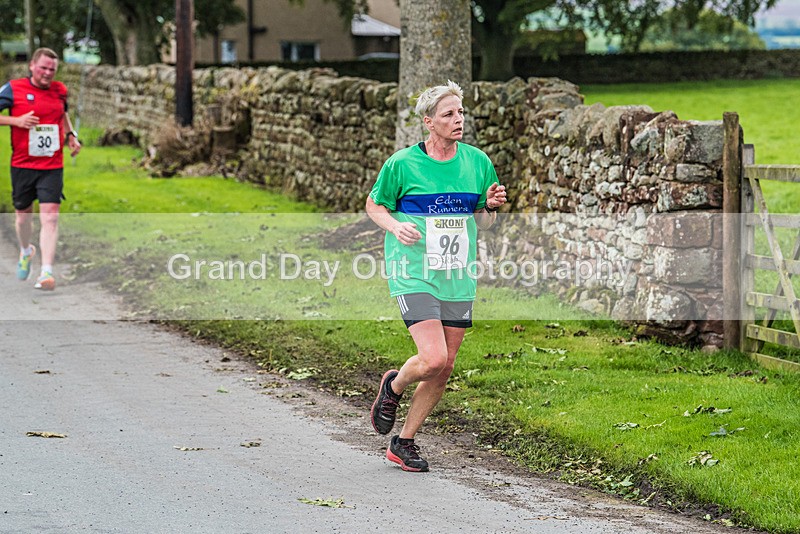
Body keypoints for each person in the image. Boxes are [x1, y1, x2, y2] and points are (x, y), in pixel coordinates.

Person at [366, 80, 507, 472]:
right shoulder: (402, 164)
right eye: (448, 114)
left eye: (460, 112)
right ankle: (394, 385)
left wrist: (491, 206)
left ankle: (404, 441)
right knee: (432, 357)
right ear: (429, 122)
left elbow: (484, 221)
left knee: (445, 366)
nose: (458, 119)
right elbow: (374, 205)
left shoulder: (478, 163)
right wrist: (395, 227)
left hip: (457, 274)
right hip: (412, 269)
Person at [0, 47, 81, 291]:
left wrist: (71, 136)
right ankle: (26, 250)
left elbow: (63, 115)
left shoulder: (60, 90)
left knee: (50, 216)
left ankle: (46, 271)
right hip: (23, 164)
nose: (47, 73)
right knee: (23, 216)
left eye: (52, 70)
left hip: (51, 165)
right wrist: (16, 121)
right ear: (32, 66)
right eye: (43, 68)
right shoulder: (13, 89)